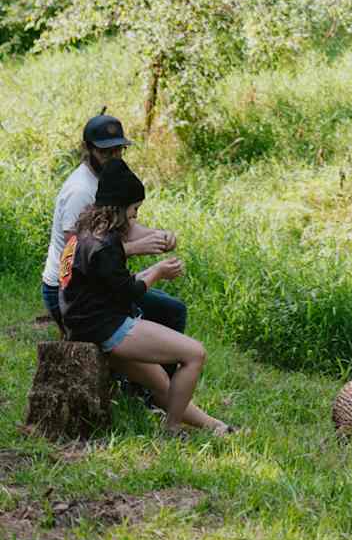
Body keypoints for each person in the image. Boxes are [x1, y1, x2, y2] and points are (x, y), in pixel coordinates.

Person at [59, 160, 232, 437]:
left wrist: (158, 243)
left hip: (83, 323)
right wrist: (159, 271)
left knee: (162, 383)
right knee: (194, 354)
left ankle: (217, 427)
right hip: (103, 327)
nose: (135, 217)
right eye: (134, 210)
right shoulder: (102, 246)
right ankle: (172, 430)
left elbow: (115, 280)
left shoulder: (88, 231)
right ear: (120, 209)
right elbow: (132, 291)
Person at [41, 114, 186, 337]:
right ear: (87, 149)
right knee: (170, 311)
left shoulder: (107, 177)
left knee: (167, 303)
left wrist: (159, 236)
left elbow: (125, 224)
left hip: (93, 280)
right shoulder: (80, 191)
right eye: (106, 152)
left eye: (118, 150)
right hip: (67, 289)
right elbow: (75, 254)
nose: (114, 157)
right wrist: (134, 248)